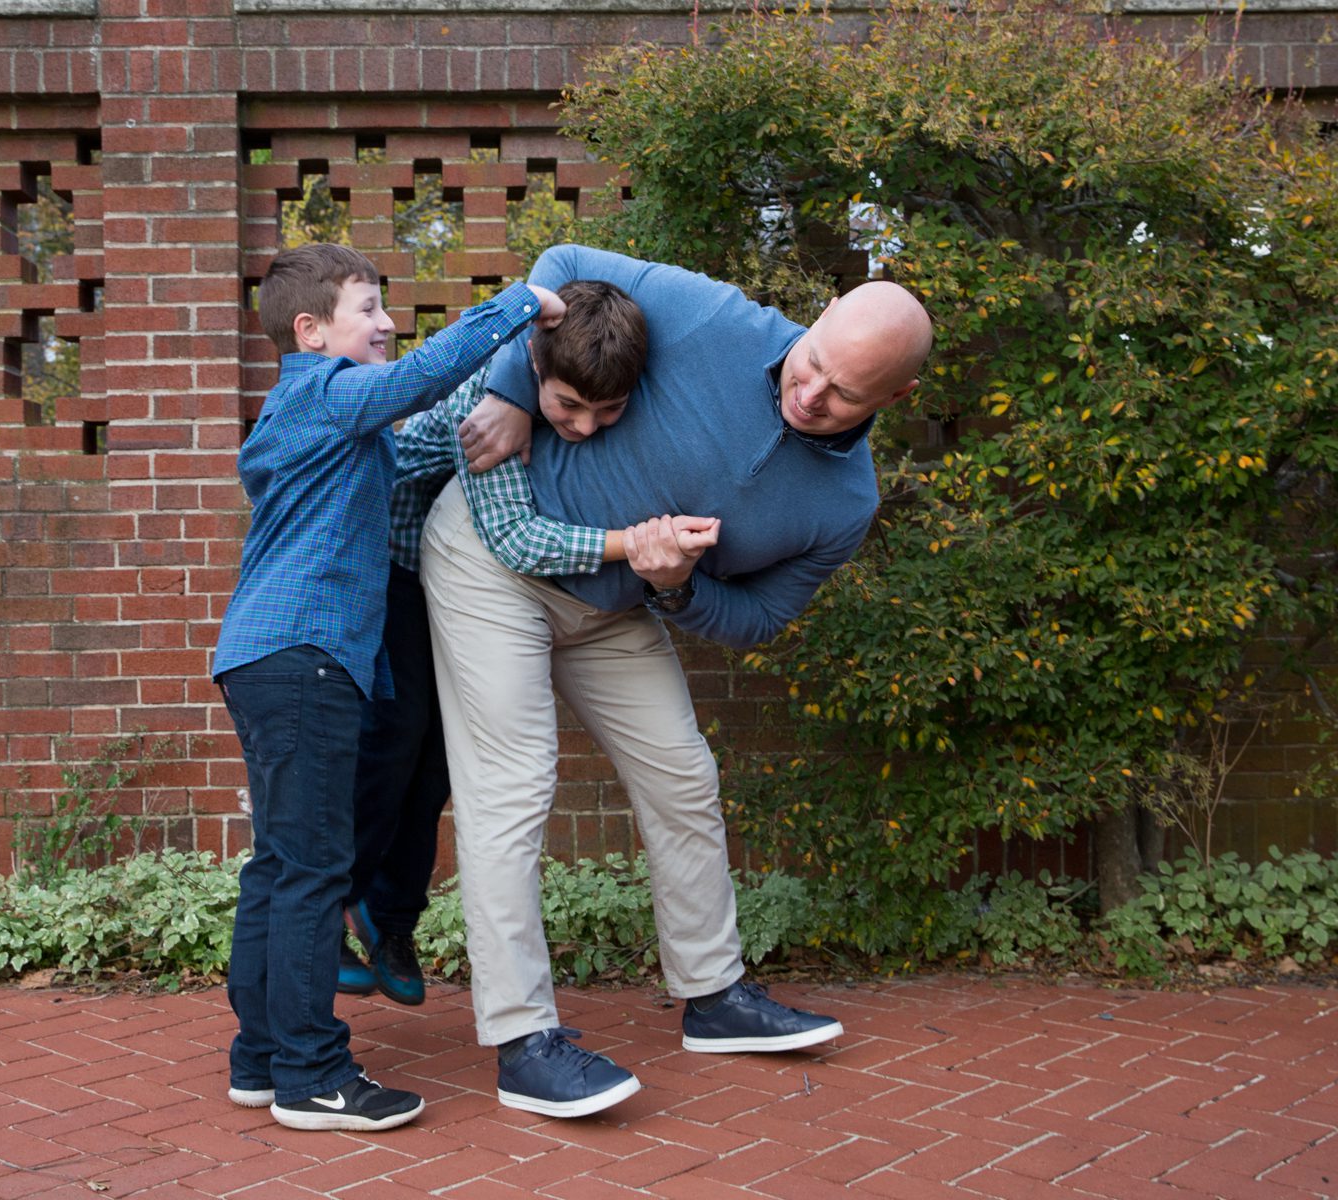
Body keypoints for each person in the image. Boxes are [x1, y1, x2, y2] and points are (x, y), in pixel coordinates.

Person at [425, 243, 934, 1118]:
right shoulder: (717, 318)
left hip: (618, 604)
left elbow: (760, 619)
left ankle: (715, 998)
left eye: (844, 393)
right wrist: (511, 388)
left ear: (895, 401)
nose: (809, 393)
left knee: (684, 779)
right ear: (809, 327)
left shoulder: (844, 505)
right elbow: (560, 265)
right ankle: (522, 1040)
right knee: (513, 787)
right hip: (490, 562)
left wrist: (679, 587)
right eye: (812, 360)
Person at [210, 242, 564, 1132]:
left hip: (271, 658)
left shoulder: (317, 422)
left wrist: (522, 416)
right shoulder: (323, 394)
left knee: (282, 866)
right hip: (303, 658)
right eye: (368, 309)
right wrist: (520, 304)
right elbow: (415, 382)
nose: (385, 324)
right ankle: (311, 1076)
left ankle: (259, 1059)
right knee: (314, 873)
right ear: (311, 330)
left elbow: (421, 440)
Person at [339, 282, 715, 1006]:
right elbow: (515, 536)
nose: (584, 427)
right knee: (392, 733)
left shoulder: (586, 395)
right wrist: (633, 545)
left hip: (444, 569)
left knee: (439, 758)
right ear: (533, 372)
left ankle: (389, 918)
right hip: (384, 557)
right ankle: (336, 897)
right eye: (569, 407)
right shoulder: (487, 403)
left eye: (607, 412)